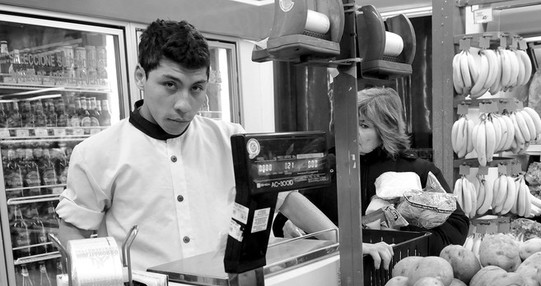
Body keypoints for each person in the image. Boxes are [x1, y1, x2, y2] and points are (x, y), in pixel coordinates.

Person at [56, 19, 336, 271]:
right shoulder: (97, 153)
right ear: (140, 76)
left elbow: (284, 198)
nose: (183, 105)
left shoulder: (231, 139)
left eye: (196, 88)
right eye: (170, 84)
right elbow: (74, 232)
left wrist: (344, 244)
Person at [298, 86, 469, 267]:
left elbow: (457, 228)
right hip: (334, 277)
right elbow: (287, 219)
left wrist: (405, 234)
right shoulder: (328, 168)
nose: (352, 132)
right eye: (349, 122)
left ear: (385, 130)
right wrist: (291, 227)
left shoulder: (418, 170)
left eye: (364, 125)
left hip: (399, 276)